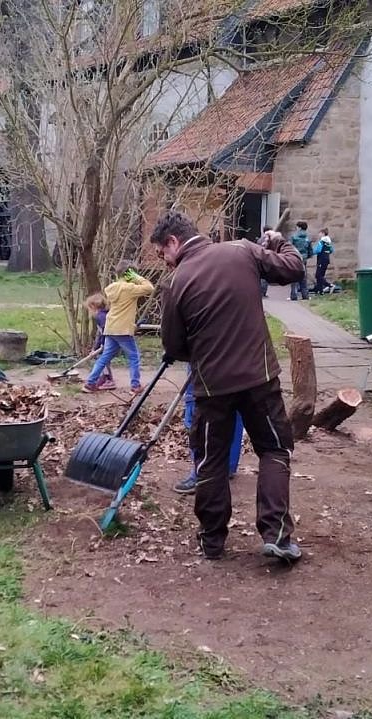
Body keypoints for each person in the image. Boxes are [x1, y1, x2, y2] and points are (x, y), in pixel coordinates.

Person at [150, 211, 305, 562]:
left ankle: (212, 541)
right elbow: (293, 268)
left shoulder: (175, 283)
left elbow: (173, 347)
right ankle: (278, 536)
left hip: (212, 387)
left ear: (173, 241)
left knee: (211, 460)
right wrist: (278, 241)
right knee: (274, 450)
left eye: (163, 253)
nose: (165, 261)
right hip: (259, 379)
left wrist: (202, 348)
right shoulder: (243, 250)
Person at [82, 260, 154, 394]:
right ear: (129, 274)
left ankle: (90, 384)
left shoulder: (111, 288)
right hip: (123, 330)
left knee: (105, 357)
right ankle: (135, 386)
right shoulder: (129, 289)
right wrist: (136, 277)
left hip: (110, 327)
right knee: (134, 357)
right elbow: (149, 287)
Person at [173, 364, 244, 494]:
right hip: (239, 362)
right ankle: (227, 466)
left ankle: (201, 473)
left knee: (198, 408)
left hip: (205, 363)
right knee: (235, 401)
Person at [84, 293, 115, 390]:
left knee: (102, 359)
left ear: (93, 306)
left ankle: (108, 379)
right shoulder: (102, 315)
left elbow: (105, 331)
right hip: (107, 340)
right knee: (104, 359)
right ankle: (106, 377)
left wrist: (103, 344)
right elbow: (100, 333)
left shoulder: (101, 316)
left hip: (110, 340)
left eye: (90, 308)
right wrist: (95, 348)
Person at [288, 220, 312, 300]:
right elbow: (310, 250)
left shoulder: (293, 236)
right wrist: (307, 256)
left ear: (299, 227)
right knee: (303, 277)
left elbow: (289, 247)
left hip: (295, 258)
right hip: (303, 259)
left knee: (294, 277)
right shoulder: (308, 238)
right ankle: (305, 295)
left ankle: (293, 296)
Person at [312, 227, 334, 294]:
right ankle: (320, 291)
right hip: (326, 259)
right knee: (321, 275)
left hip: (321, 259)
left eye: (320, 233)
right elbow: (331, 250)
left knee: (318, 275)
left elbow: (318, 250)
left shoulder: (321, 242)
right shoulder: (328, 242)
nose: (319, 235)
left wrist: (311, 252)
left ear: (323, 233)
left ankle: (330, 285)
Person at [258, 225, 273, 297]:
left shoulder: (260, 240)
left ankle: (260, 292)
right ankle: (263, 292)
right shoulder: (270, 240)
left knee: (261, 276)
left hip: (260, 258)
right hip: (267, 259)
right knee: (265, 277)